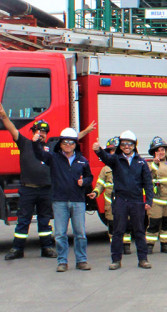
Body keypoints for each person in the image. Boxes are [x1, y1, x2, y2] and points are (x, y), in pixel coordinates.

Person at [0, 103, 95, 261]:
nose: (41, 134)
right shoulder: (25, 143)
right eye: (38, 131)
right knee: (23, 220)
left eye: (44, 132)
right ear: (33, 132)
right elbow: (11, 128)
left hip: (46, 190)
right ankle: (17, 248)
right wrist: (3, 115)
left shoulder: (52, 148)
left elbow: (70, 141)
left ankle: (47, 247)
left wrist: (86, 132)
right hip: (28, 189)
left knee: (45, 220)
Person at [32, 128, 93, 272]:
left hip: (78, 201)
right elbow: (40, 154)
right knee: (60, 234)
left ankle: (82, 261)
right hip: (59, 201)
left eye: (71, 142)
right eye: (64, 142)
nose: (67, 145)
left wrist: (83, 182)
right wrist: (35, 143)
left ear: (75, 144)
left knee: (80, 233)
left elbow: (89, 177)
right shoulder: (53, 158)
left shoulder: (82, 161)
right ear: (60, 144)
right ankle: (62, 262)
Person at [93, 130, 154, 270]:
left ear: (134, 145)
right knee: (118, 231)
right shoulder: (116, 160)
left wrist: (149, 201)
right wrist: (98, 150)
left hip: (137, 201)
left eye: (130, 144)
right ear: (120, 145)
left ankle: (143, 259)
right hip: (120, 200)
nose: (127, 147)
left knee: (139, 231)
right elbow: (105, 157)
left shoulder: (142, 163)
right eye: (124, 144)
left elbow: (148, 184)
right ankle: (116, 260)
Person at [88, 136, 133, 254]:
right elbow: (100, 184)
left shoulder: (127, 165)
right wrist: (95, 192)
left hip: (125, 200)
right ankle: (116, 246)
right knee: (113, 225)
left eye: (114, 150)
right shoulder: (105, 169)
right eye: (110, 151)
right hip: (111, 202)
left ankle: (126, 245)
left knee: (126, 224)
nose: (112, 153)